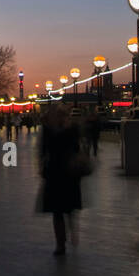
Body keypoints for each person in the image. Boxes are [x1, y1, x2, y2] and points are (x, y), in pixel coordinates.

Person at [39, 104, 84, 256]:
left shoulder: (53, 130)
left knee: (60, 210)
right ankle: (63, 240)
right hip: (65, 174)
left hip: (58, 173)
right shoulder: (70, 129)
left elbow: (43, 151)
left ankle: (62, 242)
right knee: (63, 210)